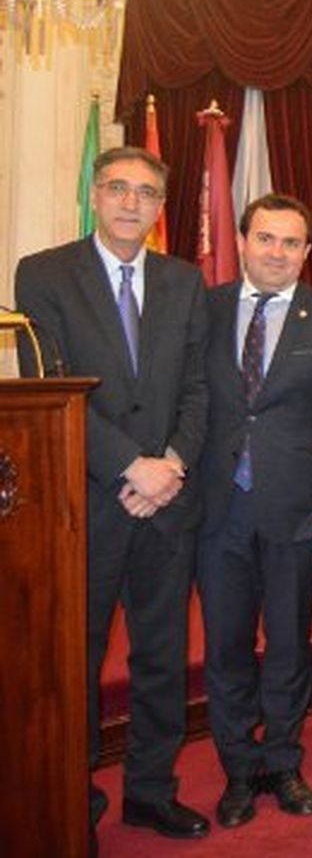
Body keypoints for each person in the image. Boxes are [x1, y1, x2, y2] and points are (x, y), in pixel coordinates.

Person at [15, 146, 211, 840]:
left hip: (167, 503)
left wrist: (173, 466)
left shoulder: (185, 282)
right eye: (118, 189)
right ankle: (77, 797)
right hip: (87, 506)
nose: (131, 202)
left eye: (147, 193)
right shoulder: (43, 274)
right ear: (94, 196)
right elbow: (52, 385)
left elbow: (198, 388)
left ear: (161, 210)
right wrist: (131, 467)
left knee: (161, 656)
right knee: (80, 657)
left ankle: (151, 791)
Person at [194, 194, 312, 829]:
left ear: (307, 252)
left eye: (291, 243)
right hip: (216, 509)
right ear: (242, 240)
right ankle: (239, 769)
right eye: (266, 238)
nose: (277, 252)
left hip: (301, 511)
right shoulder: (203, 310)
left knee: (291, 644)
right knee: (226, 646)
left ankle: (283, 761)